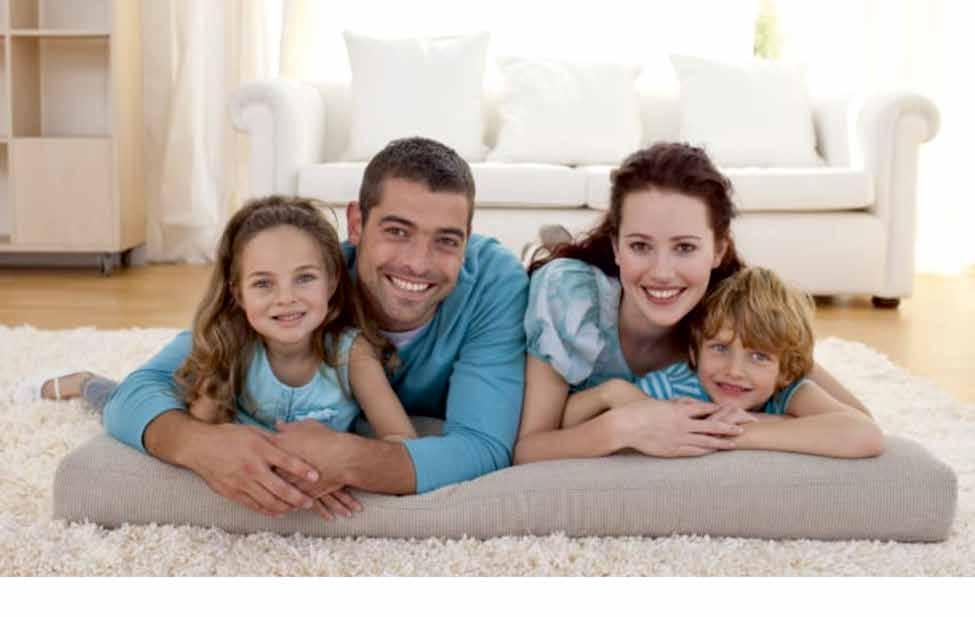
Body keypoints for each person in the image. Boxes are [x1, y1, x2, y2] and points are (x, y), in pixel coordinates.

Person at [28, 137, 529, 520]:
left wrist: (351, 459)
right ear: (357, 224)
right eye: (397, 231)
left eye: (446, 241)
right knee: (112, 392)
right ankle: (81, 382)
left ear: (468, 239)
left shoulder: (493, 283)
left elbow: (483, 445)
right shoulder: (300, 287)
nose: (418, 263)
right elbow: (142, 389)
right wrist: (203, 446)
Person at [514, 142, 872, 464]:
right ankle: (554, 246)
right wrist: (623, 422)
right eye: (639, 245)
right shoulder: (569, 297)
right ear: (616, 246)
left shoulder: (726, 310)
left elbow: (860, 421)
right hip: (584, 287)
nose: (662, 272)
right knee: (554, 262)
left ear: (718, 250)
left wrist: (719, 431)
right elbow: (528, 448)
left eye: (685, 247)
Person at [561, 266, 884, 458]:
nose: (734, 371)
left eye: (759, 356)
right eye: (719, 348)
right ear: (694, 352)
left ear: (785, 371)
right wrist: (609, 393)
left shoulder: (790, 393)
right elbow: (568, 422)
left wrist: (728, 434)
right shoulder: (676, 385)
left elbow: (865, 433)